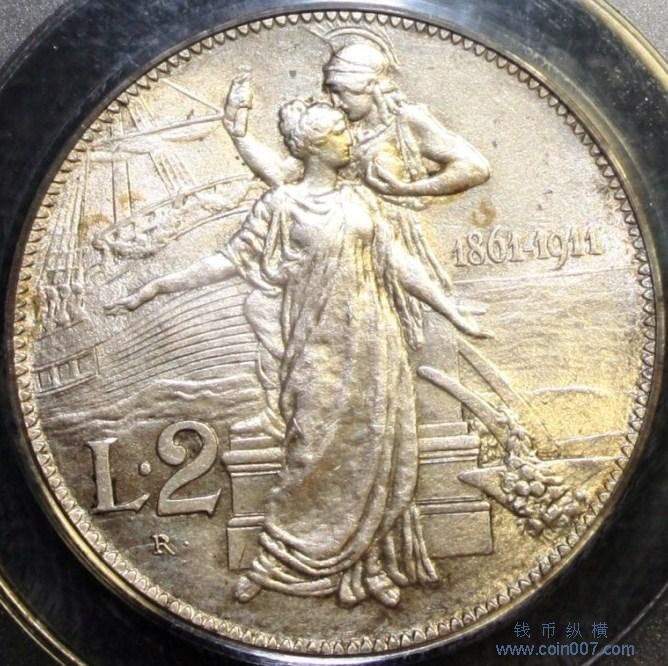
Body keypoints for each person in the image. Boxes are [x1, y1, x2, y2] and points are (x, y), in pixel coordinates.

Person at [108, 99, 487, 608]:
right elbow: (228, 259)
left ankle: (367, 565)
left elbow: (397, 263)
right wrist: (158, 286)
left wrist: (451, 309)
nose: (348, 138)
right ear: (312, 147)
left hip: (375, 341)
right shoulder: (280, 206)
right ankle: (274, 561)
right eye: (337, 133)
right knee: (309, 452)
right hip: (316, 347)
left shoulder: (361, 200)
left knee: (377, 449)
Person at [222, 30, 490, 437]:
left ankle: (387, 429)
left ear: (372, 86)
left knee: (390, 347)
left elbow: (474, 168)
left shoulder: (406, 121)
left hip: (387, 239)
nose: (334, 99)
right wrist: (240, 136)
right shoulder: (339, 130)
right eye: (330, 90)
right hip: (336, 236)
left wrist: (408, 189)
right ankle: (289, 408)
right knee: (265, 308)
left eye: (341, 90)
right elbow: (283, 176)